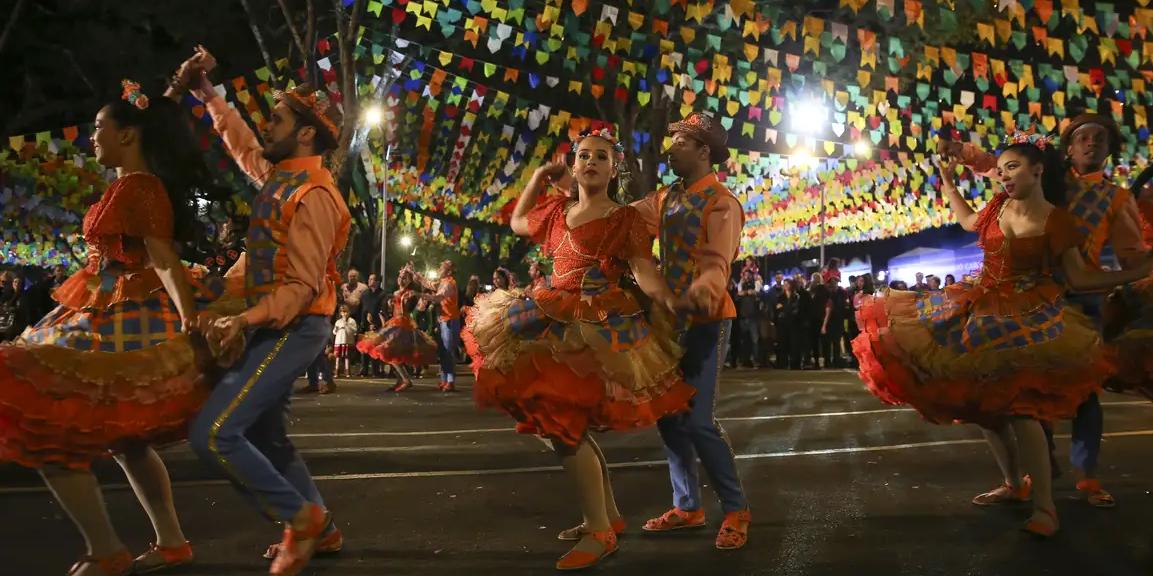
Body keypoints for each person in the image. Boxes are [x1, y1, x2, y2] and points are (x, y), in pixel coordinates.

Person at [853, 133, 1152, 537]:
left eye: (1012, 168)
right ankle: (1014, 484)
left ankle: (1046, 507)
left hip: (1033, 313)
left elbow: (1080, 278)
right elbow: (967, 221)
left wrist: (1139, 271)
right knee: (983, 406)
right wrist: (947, 181)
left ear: (1038, 170)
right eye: (1001, 170)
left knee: (1020, 408)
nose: (1003, 176)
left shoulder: (1058, 220)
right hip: (980, 308)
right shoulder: (997, 206)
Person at [0, 81, 232, 575]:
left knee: (53, 428)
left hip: (119, 312)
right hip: (100, 305)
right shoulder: (130, 182)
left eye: (100, 128)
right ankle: (170, 541)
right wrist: (180, 82)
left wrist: (190, 317)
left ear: (128, 135)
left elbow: (163, 255)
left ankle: (106, 550)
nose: (91, 138)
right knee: (126, 442)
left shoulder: (140, 187)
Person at [464, 128, 693, 570]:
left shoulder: (624, 219)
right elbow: (516, 222)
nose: (591, 162)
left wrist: (671, 302)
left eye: (601, 157)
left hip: (596, 327)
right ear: (572, 167)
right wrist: (536, 177)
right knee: (562, 426)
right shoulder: (557, 212)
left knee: (564, 426)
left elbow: (643, 271)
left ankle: (600, 530)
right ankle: (605, 517)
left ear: (615, 168)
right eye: (583, 156)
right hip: (548, 315)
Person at [171, 46, 351, 574]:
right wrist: (209, 95)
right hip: (276, 320)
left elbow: (300, 289)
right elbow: (243, 145)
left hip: (299, 325)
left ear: (306, 135)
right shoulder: (280, 178)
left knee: (215, 433)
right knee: (267, 435)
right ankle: (326, 528)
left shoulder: (315, 195)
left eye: (276, 119)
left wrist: (242, 319)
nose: (265, 126)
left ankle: (301, 519)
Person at [944, 114, 1149, 508]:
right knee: (1025, 390)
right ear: (1067, 148)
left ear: (1110, 148)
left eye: (1099, 139)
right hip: (1029, 295)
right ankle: (1037, 474)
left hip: (1082, 295)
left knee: (1084, 390)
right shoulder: (1047, 179)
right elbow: (998, 165)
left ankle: (1086, 476)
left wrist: (1140, 269)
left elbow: (1130, 255)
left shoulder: (1118, 198)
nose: (1091, 143)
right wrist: (962, 154)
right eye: (1082, 138)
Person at [631, 112, 752, 550]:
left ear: (704, 151)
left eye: (680, 141)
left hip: (707, 319)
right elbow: (626, 223)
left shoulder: (721, 202)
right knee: (668, 416)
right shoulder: (666, 198)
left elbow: (718, 260)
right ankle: (687, 506)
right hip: (669, 320)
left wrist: (704, 287)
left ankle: (736, 509)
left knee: (699, 421)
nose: (670, 147)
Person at [357, 266, 438, 392]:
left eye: (405, 278)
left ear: (409, 281)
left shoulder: (409, 293)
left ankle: (405, 379)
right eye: (400, 277)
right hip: (394, 323)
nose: (401, 280)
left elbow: (409, 309)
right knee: (391, 352)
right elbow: (390, 309)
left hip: (403, 324)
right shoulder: (394, 293)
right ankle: (401, 379)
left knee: (390, 351)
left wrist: (405, 300)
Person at [419, 260, 460, 392]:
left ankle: (450, 380)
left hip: (450, 320)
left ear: (448, 271)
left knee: (448, 351)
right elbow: (429, 284)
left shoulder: (449, 283)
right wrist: (417, 275)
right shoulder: (442, 282)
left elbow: (438, 298)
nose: (438, 269)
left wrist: (420, 295)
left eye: (441, 267)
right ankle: (444, 379)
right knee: (443, 351)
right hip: (443, 319)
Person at [331, 305, 357, 378]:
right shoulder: (338, 321)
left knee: (347, 357)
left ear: (349, 312)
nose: (344, 314)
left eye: (345, 312)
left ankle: (347, 372)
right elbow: (334, 332)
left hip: (348, 341)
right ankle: (336, 371)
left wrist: (346, 324)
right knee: (337, 357)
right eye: (342, 312)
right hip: (339, 341)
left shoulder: (351, 321)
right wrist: (336, 329)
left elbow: (354, 330)